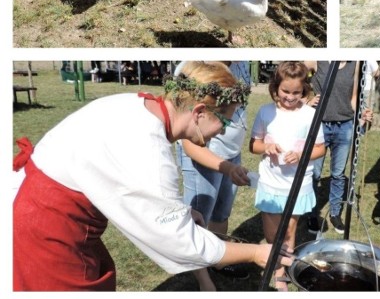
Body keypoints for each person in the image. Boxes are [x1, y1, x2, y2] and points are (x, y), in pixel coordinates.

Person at [12, 62, 275, 291]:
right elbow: (181, 242)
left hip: (38, 207)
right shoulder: (151, 149)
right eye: (224, 121)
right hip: (44, 229)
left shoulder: (138, 102)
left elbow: (132, 184)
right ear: (198, 112)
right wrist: (255, 252)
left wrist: (181, 211)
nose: (222, 131)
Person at [175, 61, 252, 291]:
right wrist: (226, 168)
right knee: (199, 219)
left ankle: (217, 259)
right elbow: (191, 144)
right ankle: (203, 280)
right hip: (204, 155)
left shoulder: (242, 62)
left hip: (231, 154)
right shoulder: (192, 70)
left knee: (221, 212)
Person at [250, 62, 325, 290]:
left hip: (297, 184)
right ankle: (276, 261)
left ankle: (282, 271)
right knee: (272, 233)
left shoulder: (310, 115)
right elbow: (254, 145)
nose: (290, 97)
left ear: (304, 91)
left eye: (296, 92)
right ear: (275, 87)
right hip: (271, 183)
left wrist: (302, 154)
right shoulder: (266, 112)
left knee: (290, 231)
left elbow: (320, 148)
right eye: (285, 91)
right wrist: (266, 148)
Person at [304, 61, 372, 235]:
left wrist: (361, 116)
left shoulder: (354, 63)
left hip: (345, 125)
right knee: (315, 173)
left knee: (338, 174)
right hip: (320, 124)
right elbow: (295, 77)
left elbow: (353, 98)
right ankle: (312, 213)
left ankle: (335, 214)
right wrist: (306, 100)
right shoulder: (317, 60)